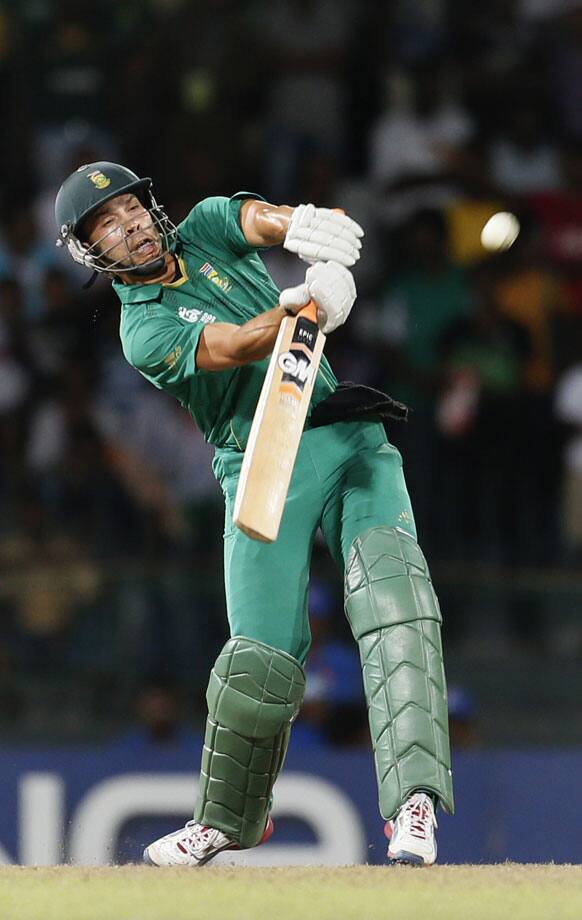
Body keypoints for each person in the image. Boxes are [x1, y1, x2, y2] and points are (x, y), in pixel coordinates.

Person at [54, 161, 454, 867]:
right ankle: (230, 821)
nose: (130, 226)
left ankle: (414, 803)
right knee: (257, 665)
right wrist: (306, 308)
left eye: (131, 209)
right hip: (259, 462)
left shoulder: (203, 224)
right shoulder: (141, 331)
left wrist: (297, 224)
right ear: (94, 253)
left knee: (396, 602)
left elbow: (252, 219)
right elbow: (234, 347)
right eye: (107, 226)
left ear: (151, 206)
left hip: (344, 436)